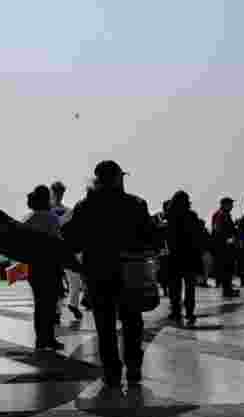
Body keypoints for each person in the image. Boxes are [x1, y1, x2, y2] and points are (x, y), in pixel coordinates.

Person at [62, 160, 157, 390]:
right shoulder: (136, 204)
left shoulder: (86, 206)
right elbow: (150, 238)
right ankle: (133, 368)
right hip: (130, 271)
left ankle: (112, 372)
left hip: (98, 272)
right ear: (118, 178)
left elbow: (71, 239)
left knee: (105, 326)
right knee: (132, 321)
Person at [24, 185, 64, 350]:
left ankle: (40, 339)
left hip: (34, 267)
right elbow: (58, 241)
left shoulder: (29, 218)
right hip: (50, 266)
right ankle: (49, 338)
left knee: (40, 304)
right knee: (50, 305)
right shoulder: (52, 218)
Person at [165, 190, 206, 327]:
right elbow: (197, 237)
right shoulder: (192, 216)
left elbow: (167, 237)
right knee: (190, 287)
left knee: (175, 288)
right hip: (189, 256)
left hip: (174, 256)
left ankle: (176, 311)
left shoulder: (169, 216)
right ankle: (189, 312)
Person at [52, 181, 83, 322]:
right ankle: (57, 311)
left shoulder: (69, 211)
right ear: (52, 191)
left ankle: (73, 304)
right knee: (56, 282)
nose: (59, 194)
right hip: (53, 249)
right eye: (57, 191)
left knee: (75, 280)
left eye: (61, 191)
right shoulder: (46, 210)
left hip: (67, 249)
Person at [211, 197, 240, 297]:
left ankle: (228, 289)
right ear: (224, 204)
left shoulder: (224, 214)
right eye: (230, 204)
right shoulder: (221, 214)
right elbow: (218, 230)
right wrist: (227, 240)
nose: (232, 206)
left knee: (227, 269)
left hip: (224, 246)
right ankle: (227, 291)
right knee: (226, 268)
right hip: (223, 247)